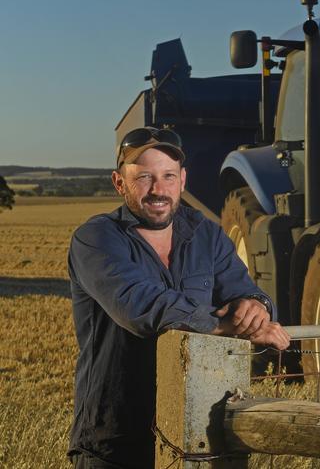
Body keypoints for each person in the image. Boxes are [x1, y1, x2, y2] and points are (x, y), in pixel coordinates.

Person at [67, 127, 290, 469]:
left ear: (183, 180)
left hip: (196, 429)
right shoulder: (96, 239)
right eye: (144, 177)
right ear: (119, 182)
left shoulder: (207, 234)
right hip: (116, 438)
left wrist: (255, 308)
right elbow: (141, 305)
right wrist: (222, 325)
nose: (159, 190)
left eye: (168, 176)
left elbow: (243, 289)